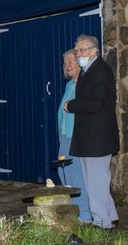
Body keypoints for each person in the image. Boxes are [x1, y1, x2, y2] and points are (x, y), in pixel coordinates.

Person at [64, 35, 119, 229]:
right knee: (97, 183)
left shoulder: (101, 72)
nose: (79, 54)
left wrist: (71, 105)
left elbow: (95, 104)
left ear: (94, 50)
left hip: (98, 139)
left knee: (96, 185)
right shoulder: (90, 70)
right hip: (90, 139)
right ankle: (111, 216)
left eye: (82, 50)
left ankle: (102, 223)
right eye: (77, 51)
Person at [57, 49, 92, 223]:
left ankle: (85, 214)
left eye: (71, 61)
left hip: (76, 136)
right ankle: (75, 209)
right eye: (65, 62)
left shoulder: (84, 84)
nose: (67, 65)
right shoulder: (70, 84)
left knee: (77, 174)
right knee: (64, 173)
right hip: (65, 135)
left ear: (80, 63)